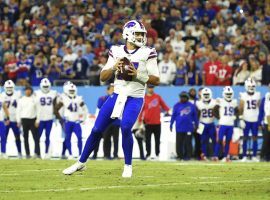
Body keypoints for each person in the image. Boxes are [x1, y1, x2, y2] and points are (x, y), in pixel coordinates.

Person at [62, 20, 160, 178]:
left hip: (135, 97)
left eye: (142, 34)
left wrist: (137, 75)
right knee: (96, 129)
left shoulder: (148, 52)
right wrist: (114, 66)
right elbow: (103, 76)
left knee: (126, 127)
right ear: (128, 34)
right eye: (138, 34)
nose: (142, 37)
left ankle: (128, 165)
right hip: (117, 96)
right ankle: (81, 162)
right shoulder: (116, 50)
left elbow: (155, 80)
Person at [55, 83, 88, 159]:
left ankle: (80, 154)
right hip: (68, 122)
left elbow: (85, 109)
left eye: (73, 90)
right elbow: (57, 109)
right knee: (68, 138)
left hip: (76, 122)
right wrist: (61, 119)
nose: (72, 92)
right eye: (70, 90)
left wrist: (83, 119)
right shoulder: (63, 98)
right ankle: (70, 154)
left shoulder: (79, 98)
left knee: (79, 138)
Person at [140, 84, 169, 160]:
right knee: (147, 140)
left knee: (157, 140)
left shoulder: (157, 97)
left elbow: (164, 106)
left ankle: (157, 154)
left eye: (152, 87)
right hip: (147, 123)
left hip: (157, 123)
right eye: (149, 87)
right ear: (147, 89)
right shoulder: (144, 98)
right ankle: (148, 154)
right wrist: (140, 121)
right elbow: (141, 110)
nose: (151, 89)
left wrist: (170, 111)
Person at [92, 84, 120, 160]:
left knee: (116, 140)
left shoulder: (119, 99)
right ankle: (106, 155)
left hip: (116, 122)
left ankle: (115, 155)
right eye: (111, 89)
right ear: (107, 90)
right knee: (106, 139)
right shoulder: (103, 98)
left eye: (114, 89)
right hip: (107, 122)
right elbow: (99, 106)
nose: (113, 91)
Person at [170, 91, 198, 160]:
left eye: (184, 97)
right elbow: (173, 116)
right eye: (181, 97)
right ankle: (180, 156)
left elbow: (195, 116)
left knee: (188, 143)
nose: (183, 98)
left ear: (187, 97)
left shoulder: (192, 106)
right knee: (179, 143)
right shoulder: (176, 105)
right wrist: (171, 124)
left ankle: (188, 156)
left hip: (189, 128)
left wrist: (196, 125)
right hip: (179, 127)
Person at [213, 86, 238, 162]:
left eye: (230, 93)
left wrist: (235, 116)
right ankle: (216, 156)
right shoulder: (220, 100)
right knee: (219, 140)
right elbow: (214, 110)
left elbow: (237, 110)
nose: (228, 95)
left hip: (230, 124)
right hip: (223, 124)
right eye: (227, 93)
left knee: (228, 141)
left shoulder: (234, 102)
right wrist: (218, 117)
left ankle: (226, 156)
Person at [35, 78, 57, 159]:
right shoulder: (36, 93)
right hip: (40, 119)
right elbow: (35, 107)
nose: (45, 87)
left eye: (46, 86)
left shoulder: (54, 93)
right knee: (38, 137)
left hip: (49, 118)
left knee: (47, 136)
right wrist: (36, 119)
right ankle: (37, 153)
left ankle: (47, 153)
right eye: (44, 86)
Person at [239, 78, 261, 162]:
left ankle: (254, 156)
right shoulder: (243, 95)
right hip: (246, 119)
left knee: (254, 138)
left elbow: (259, 107)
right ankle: (244, 156)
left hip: (255, 119)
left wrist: (260, 120)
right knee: (245, 138)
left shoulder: (258, 94)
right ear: (246, 86)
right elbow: (241, 107)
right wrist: (241, 118)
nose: (251, 87)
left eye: (253, 86)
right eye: (249, 86)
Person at [16, 86, 40, 158]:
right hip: (24, 120)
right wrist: (18, 121)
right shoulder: (21, 100)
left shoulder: (35, 99)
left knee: (35, 137)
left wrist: (37, 120)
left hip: (33, 119)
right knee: (25, 138)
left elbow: (38, 110)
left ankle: (37, 153)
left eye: (29, 90)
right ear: (25, 91)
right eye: (26, 90)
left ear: (31, 91)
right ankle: (27, 154)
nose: (28, 91)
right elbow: (18, 111)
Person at [2, 80, 22, 158]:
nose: (9, 89)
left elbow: (20, 108)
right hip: (5, 120)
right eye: (8, 87)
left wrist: (19, 119)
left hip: (15, 119)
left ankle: (19, 153)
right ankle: (3, 153)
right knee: (4, 137)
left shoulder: (18, 94)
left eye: (11, 87)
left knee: (17, 137)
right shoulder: (2, 95)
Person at [196, 87, 217, 160]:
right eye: (205, 94)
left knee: (214, 140)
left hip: (211, 123)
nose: (206, 95)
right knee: (203, 141)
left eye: (207, 94)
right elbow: (197, 115)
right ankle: (203, 155)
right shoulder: (198, 103)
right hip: (202, 124)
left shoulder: (214, 102)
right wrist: (196, 124)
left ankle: (215, 155)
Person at [259, 87, 270, 161]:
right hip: (267, 122)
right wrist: (260, 122)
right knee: (266, 140)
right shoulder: (265, 99)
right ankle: (263, 156)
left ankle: (268, 157)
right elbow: (262, 112)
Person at [0, 90, 10, 159]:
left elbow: (5, 108)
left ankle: (3, 152)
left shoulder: (1, 97)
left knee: (3, 137)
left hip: (1, 120)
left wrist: (8, 117)